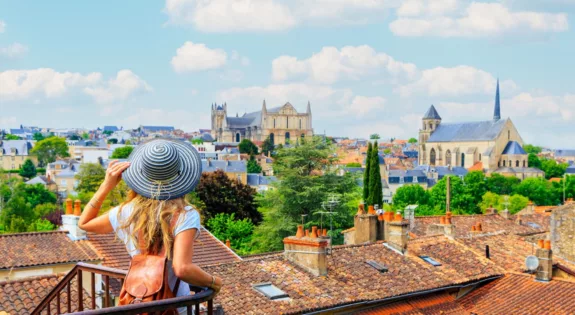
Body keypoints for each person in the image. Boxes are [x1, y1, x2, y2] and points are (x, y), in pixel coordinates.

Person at [78, 139, 223, 313]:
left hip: (139, 301)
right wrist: (214, 282)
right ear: (181, 175)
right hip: (174, 306)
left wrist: (106, 185)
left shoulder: (126, 211)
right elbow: (182, 268)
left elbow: (84, 223)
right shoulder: (185, 215)